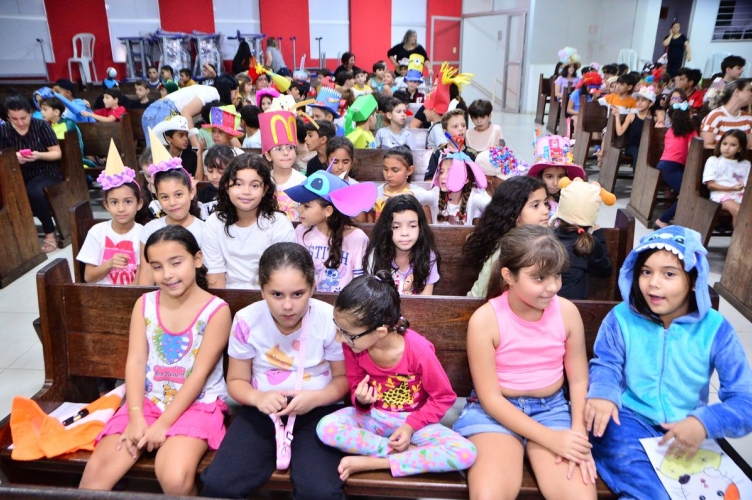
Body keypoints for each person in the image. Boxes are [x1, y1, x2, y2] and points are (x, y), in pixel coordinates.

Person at [586, 225, 752, 499]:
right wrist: (603, 393)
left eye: (669, 274)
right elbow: (607, 364)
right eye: (646, 271)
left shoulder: (716, 329)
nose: (653, 283)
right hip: (626, 421)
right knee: (651, 487)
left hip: (688, 428)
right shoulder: (621, 318)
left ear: (694, 280)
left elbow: (745, 401)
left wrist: (704, 422)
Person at [78, 225, 231, 495]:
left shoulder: (216, 311)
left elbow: (199, 375)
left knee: (174, 476)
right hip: (147, 400)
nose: (167, 274)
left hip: (197, 404)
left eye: (176, 263)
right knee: (95, 476)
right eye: (157, 267)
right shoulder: (145, 304)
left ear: (197, 259)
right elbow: (136, 362)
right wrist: (136, 416)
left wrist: (162, 424)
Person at [454, 224, 597, 499]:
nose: (552, 287)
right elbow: (490, 398)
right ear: (509, 276)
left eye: (557, 275)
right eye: (540, 278)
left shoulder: (567, 313)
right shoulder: (486, 320)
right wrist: (551, 438)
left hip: (552, 409)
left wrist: (578, 436)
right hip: (495, 414)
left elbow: (579, 379)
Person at [200, 242, 349, 499]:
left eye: (298, 294)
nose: (287, 306)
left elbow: (342, 379)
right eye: (277, 294)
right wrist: (258, 398)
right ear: (262, 289)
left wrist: (315, 398)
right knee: (219, 484)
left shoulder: (329, 319)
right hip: (262, 411)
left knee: (319, 491)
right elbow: (236, 380)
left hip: (320, 412)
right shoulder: (246, 320)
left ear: (313, 287)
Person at [317, 272, 477, 479]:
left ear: (380, 332)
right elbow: (356, 386)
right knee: (326, 428)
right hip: (374, 417)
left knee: (465, 453)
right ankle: (406, 454)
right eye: (338, 328)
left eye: (347, 333)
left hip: (415, 423)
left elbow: (443, 396)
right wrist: (361, 399)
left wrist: (410, 426)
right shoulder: (353, 347)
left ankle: (378, 462)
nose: (339, 339)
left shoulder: (418, 350)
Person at [202, 154, 295, 289]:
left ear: (265, 189)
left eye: (255, 185)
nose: (246, 192)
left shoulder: (279, 224)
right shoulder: (214, 222)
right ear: (227, 187)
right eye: (238, 184)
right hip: (227, 296)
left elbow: (283, 276)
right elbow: (215, 277)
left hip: (269, 296)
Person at [286, 170, 375, 292]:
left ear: (328, 211)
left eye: (306, 206)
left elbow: (361, 285)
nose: (299, 209)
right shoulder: (301, 232)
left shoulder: (357, 238)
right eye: (300, 204)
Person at [138, 130, 204, 285]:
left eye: (178, 194)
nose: (172, 202)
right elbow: (146, 274)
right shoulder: (150, 229)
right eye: (165, 197)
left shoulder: (205, 230)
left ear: (191, 192)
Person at [465, 177, 549, 298]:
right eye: (535, 205)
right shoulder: (504, 250)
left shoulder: (544, 241)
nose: (545, 210)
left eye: (545, 203)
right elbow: (479, 295)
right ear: (514, 214)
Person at [0, 94, 62, 252]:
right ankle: (12, 237)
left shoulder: (41, 125)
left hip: (46, 171)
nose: (20, 122)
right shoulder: (4, 129)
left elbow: (56, 153)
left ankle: (50, 233)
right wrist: (13, 157)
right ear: (8, 117)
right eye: (14, 119)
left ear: (30, 113)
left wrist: (38, 155)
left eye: (23, 118)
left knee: (33, 191)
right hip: (17, 173)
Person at [77, 141, 143, 284]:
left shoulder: (143, 234)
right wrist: (109, 264)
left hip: (132, 294)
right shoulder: (97, 232)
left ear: (139, 204)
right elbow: (88, 277)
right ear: (106, 205)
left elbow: (142, 278)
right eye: (114, 202)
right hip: (102, 294)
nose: (121, 208)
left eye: (128, 201)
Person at [550, 178, 614, 300]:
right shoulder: (590, 243)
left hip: (546, 303)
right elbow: (606, 270)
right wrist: (598, 234)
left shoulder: (546, 237)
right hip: (575, 306)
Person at [364, 195, 439, 295]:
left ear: (420, 227)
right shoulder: (375, 255)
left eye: (412, 226)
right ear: (386, 228)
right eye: (396, 227)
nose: (404, 233)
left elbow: (426, 298)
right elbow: (372, 297)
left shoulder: (427, 255)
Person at [414, 150, 490, 226]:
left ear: (466, 179)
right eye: (441, 172)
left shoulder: (472, 196)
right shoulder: (435, 194)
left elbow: (490, 204)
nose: (443, 177)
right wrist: (411, 193)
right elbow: (420, 195)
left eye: (450, 172)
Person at [654, 96, 698, 229]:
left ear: (671, 118)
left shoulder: (670, 130)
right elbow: (693, 151)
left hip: (664, 164)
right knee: (687, 195)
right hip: (673, 167)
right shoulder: (690, 131)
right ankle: (662, 220)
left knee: (684, 193)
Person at [259, 108, 307, 220]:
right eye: (278, 149)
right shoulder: (263, 181)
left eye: (290, 147)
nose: (285, 153)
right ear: (268, 155)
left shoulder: (303, 182)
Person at [142, 84, 223, 148]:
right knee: (157, 155)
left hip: (156, 109)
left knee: (157, 155)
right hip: (164, 109)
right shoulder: (213, 94)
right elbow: (186, 113)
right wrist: (195, 144)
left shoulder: (209, 94)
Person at [526, 135, 586, 218]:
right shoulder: (532, 201)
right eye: (549, 177)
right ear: (540, 177)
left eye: (560, 177)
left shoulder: (569, 198)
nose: (555, 183)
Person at [703, 129, 750, 228]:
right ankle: (738, 236)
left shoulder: (746, 164)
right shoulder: (713, 161)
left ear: (740, 149)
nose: (727, 148)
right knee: (738, 210)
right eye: (724, 144)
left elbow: (747, 184)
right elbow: (710, 185)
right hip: (721, 196)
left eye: (733, 145)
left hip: (741, 196)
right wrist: (732, 188)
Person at [369, 147, 427, 221]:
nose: (389, 174)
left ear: (409, 170)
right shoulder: (374, 194)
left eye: (395, 170)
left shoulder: (420, 194)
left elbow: (425, 225)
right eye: (385, 169)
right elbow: (370, 225)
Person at [700, 79, 752, 148]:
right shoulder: (715, 116)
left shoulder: (748, 118)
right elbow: (706, 145)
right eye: (749, 90)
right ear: (737, 92)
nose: (751, 94)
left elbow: (750, 146)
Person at [612, 86, 654, 168]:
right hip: (632, 147)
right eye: (638, 100)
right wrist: (617, 116)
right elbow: (620, 132)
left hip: (647, 147)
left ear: (651, 103)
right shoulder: (632, 116)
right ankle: (637, 175)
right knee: (638, 153)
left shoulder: (652, 118)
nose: (639, 103)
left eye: (643, 100)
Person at [198, 144, 233, 220]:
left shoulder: (235, 193)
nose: (214, 176)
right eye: (210, 171)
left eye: (220, 172)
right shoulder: (202, 194)